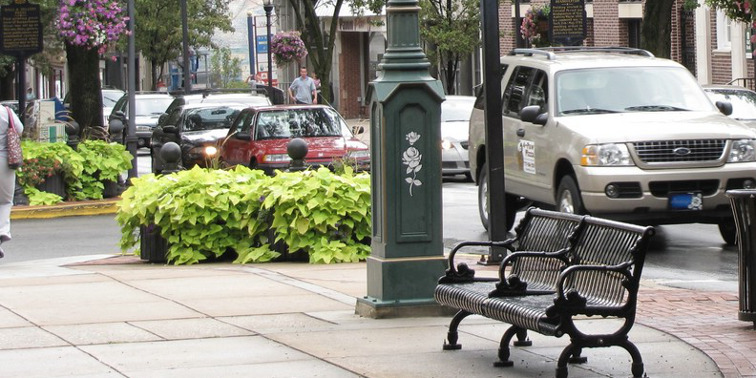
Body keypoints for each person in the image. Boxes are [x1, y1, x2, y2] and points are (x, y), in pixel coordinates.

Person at [0, 105, 24, 258]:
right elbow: (19, 129)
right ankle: (2, 231)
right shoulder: (5, 111)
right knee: (4, 201)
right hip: (4, 162)